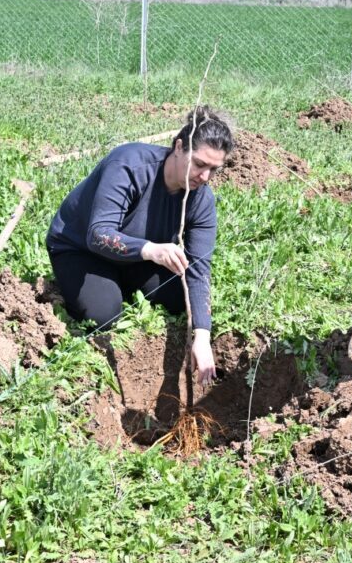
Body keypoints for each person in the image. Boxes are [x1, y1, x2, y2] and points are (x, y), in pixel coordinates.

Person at [46, 106, 234, 386]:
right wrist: (152, 250)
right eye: (199, 164)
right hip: (81, 250)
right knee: (104, 314)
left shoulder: (200, 200)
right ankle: (84, 286)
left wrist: (202, 336)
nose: (204, 177)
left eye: (213, 169)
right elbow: (98, 234)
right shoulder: (130, 165)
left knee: (177, 299)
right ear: (179, 147)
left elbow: (198, 268)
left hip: (138, 257)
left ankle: (120, 281)